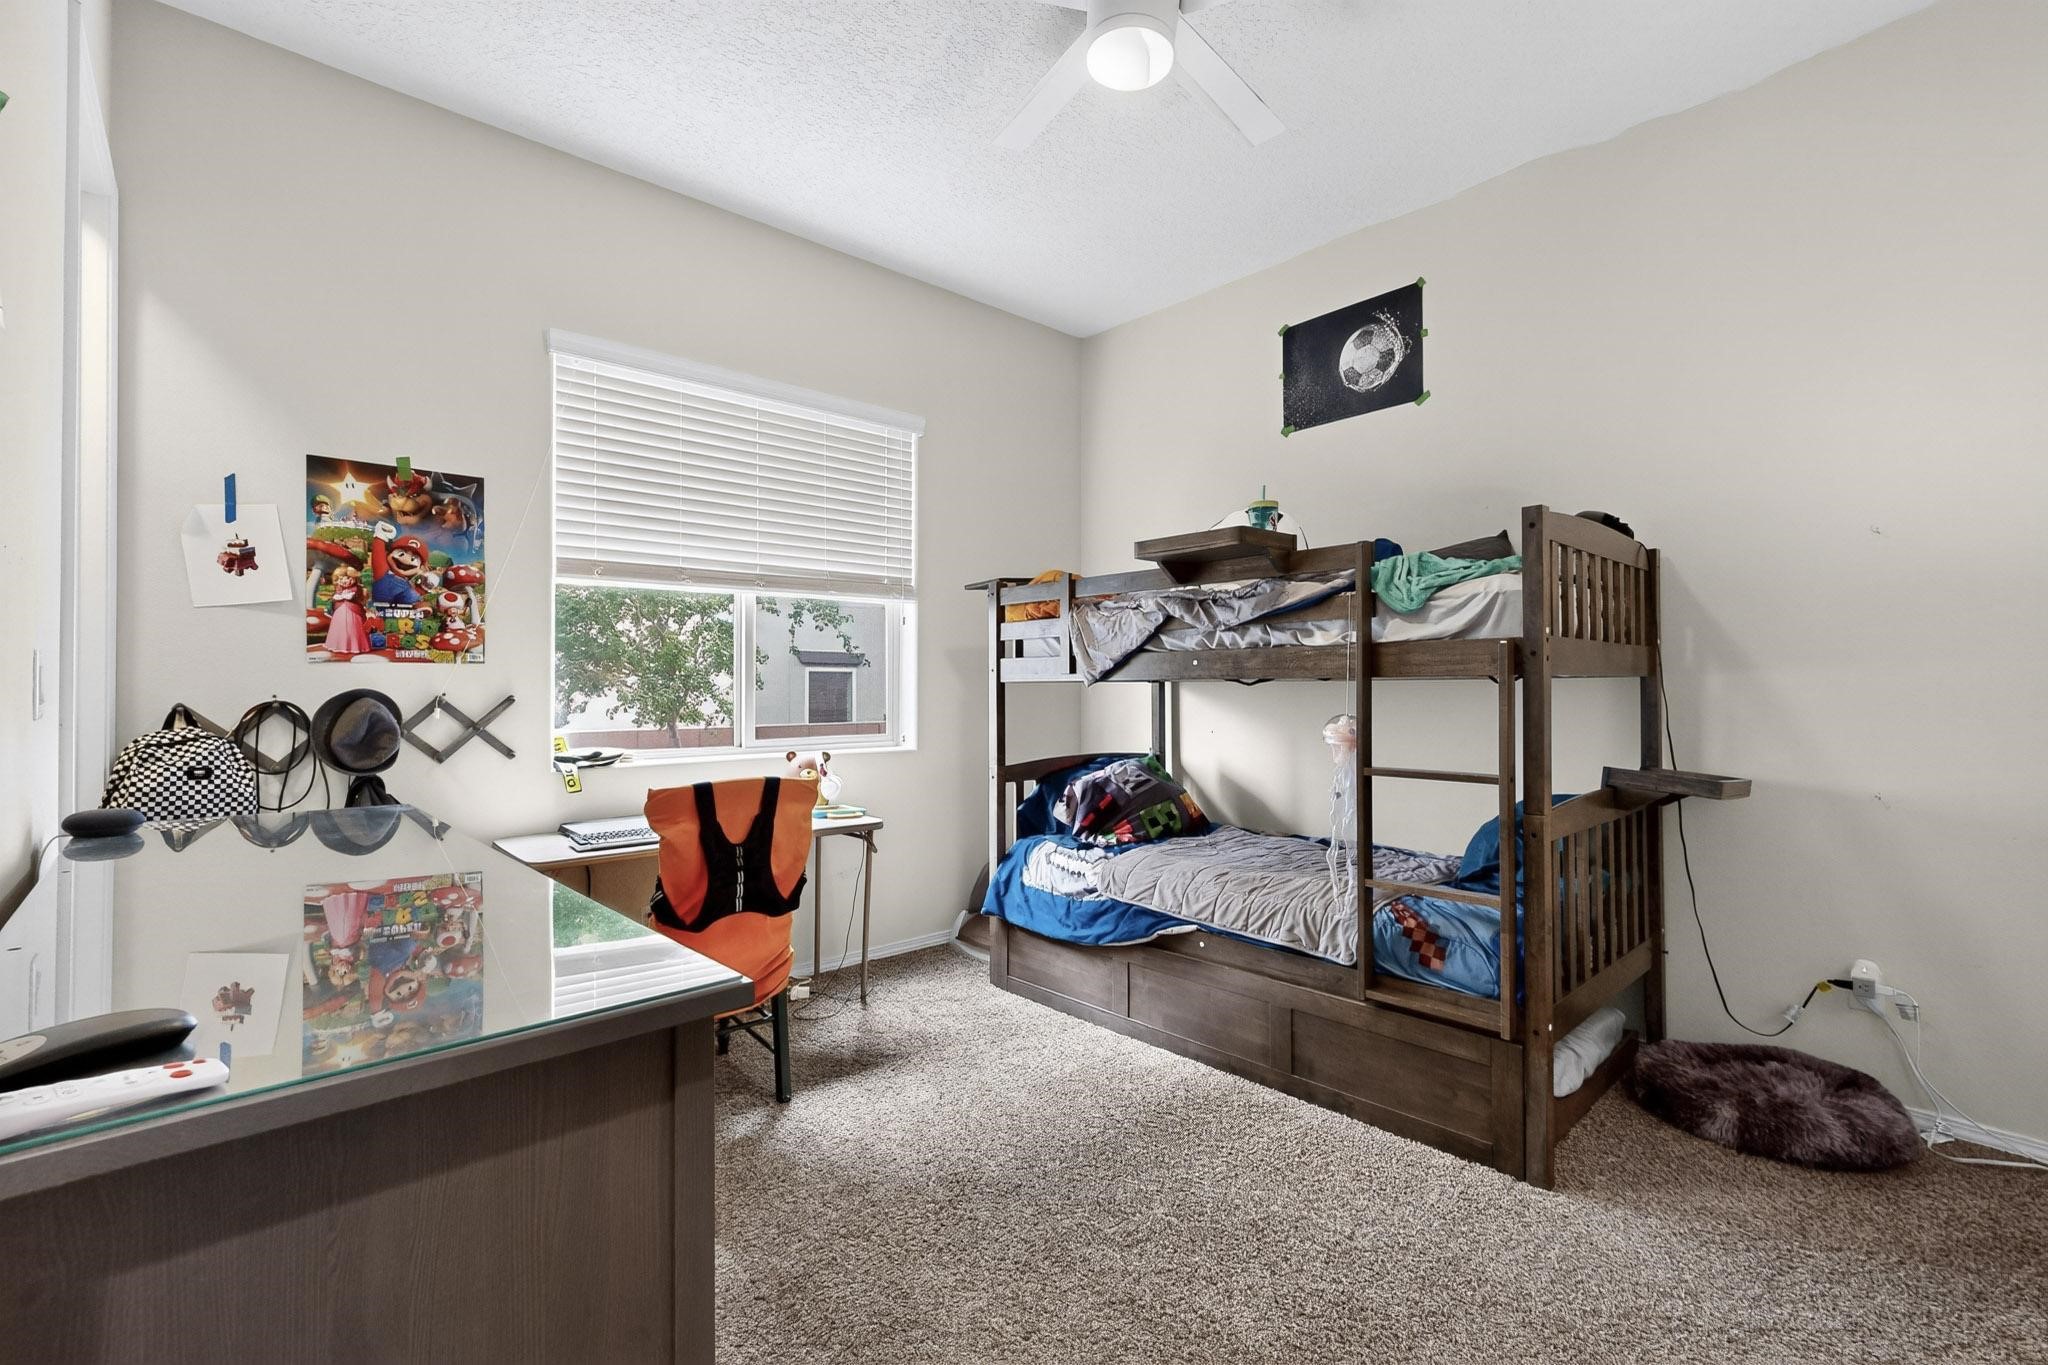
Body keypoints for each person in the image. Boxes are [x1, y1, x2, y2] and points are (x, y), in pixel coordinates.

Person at [323, 566, 372, 657]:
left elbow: (364, 601)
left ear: (354, 578)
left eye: (349, 578)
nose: (345, 580)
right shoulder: (338, 590)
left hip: (354, 613)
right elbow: (332, 602)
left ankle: (355, 646)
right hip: (339, 613)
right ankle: (338, 645)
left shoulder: (358, 589)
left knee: (353, 629)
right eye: (341, 579)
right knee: (338, 628)